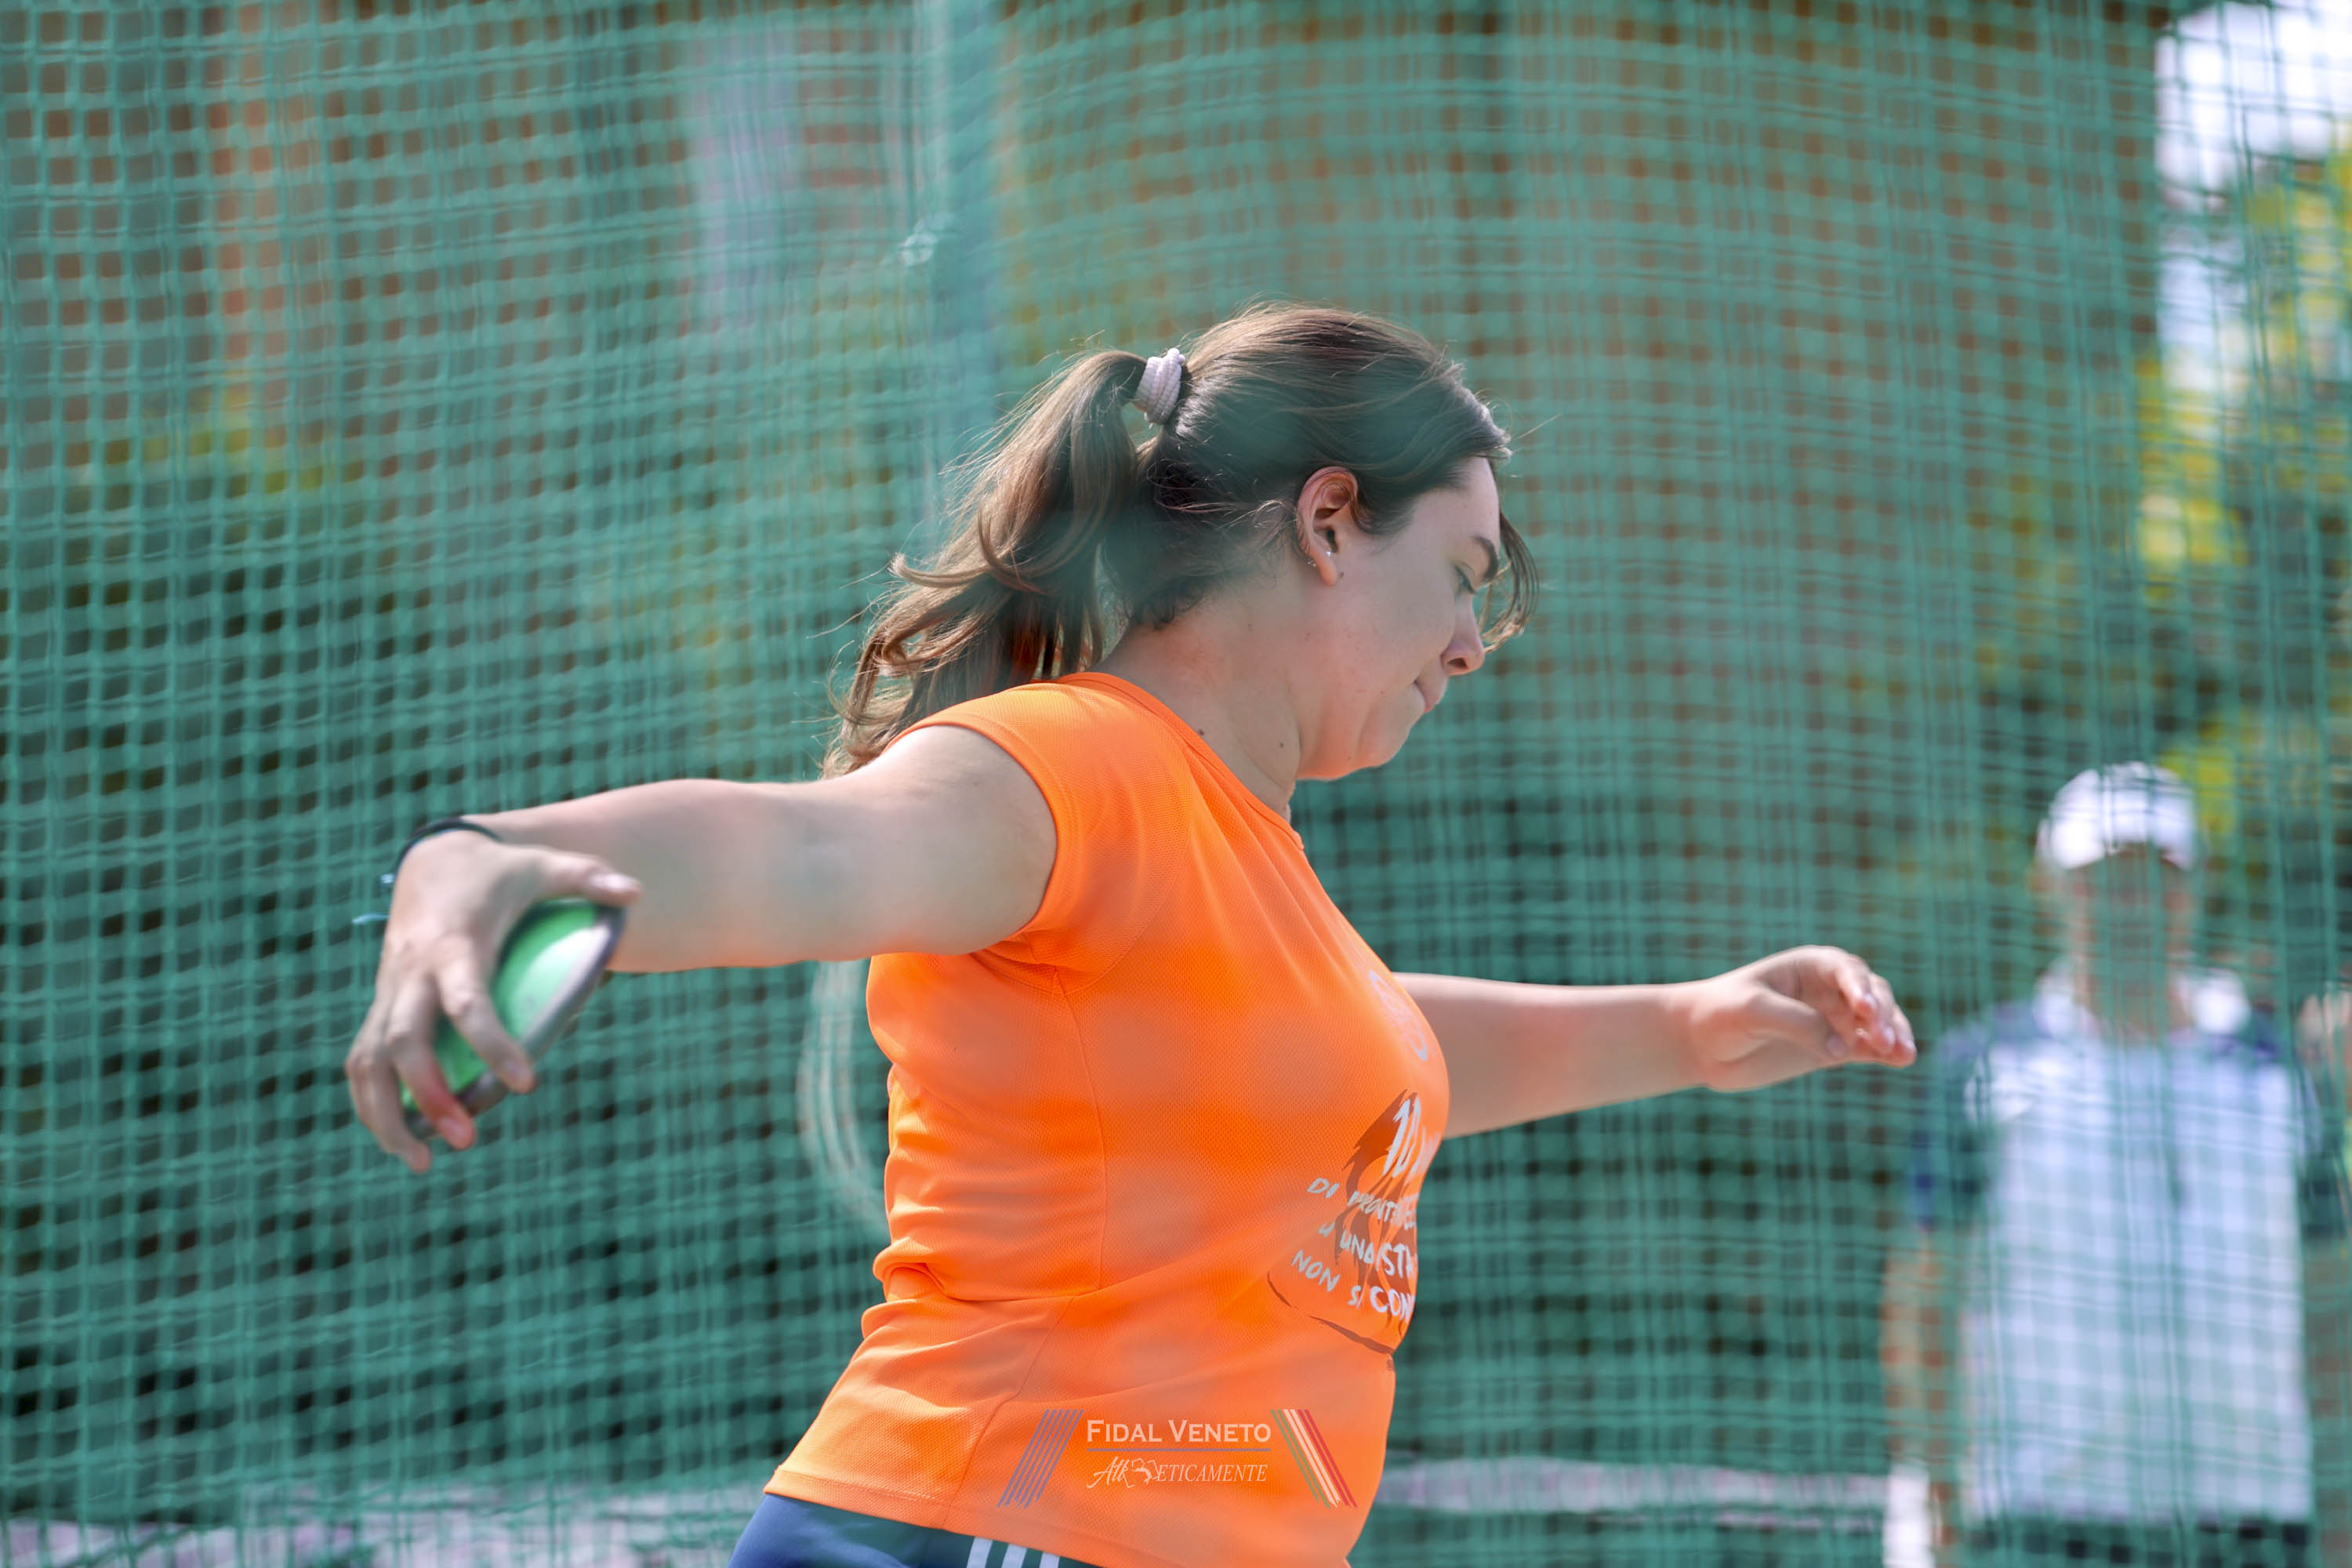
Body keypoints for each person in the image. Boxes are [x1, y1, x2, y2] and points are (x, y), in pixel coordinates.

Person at [346, 305, 1918, 1568]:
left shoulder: (1244, 856)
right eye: (1462, 577)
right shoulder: (1080, 764)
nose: (1469, 643)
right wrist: (485, 861)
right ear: (1328, 521)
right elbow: (810, 847)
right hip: (988, 1528)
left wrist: (1694, 1026)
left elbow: (1384, 1056)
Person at [1884, 763, 2345, 1568]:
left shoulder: (2277, 1073)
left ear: (2196, 888)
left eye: (2155, 877)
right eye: (2103, 878)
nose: (2130, 904)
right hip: (2040, 1520)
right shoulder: (1985, 1067)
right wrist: (1937, 1505)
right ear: (2049, 887)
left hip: (2256, 1520)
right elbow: (1927, 1296)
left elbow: (2330, 1301)